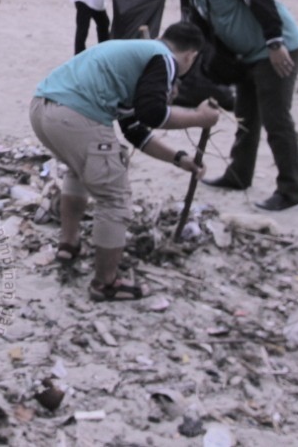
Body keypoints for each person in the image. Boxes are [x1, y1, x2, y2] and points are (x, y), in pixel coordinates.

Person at [30, 21, 216, 300]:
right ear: (191, 55)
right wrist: (199, 119)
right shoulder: (165, 58)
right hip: (75, 115)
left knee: (80, 171)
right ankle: (106, 283)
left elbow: (135, 130)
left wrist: (179, 159)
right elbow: (153, 113)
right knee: (115, 199)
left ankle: (69, 244)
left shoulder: (135, 53)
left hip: (42, 108)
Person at [157, 0, 298, 211]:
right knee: (246, 116)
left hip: (279, 49)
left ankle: (289, 191)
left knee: (276, 119)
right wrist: (177, 77)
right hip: (246, 56)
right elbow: (195, 41)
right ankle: (238, 176)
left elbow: (262, 0)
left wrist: (274, 42)